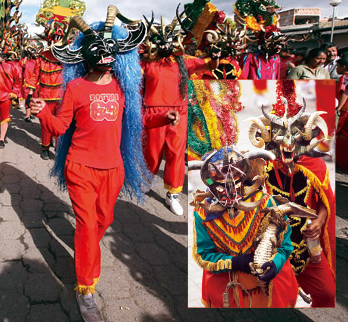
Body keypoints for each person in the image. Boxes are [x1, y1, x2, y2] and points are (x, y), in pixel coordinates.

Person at [31, 7, 150, 322]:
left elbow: (138, 120)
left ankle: (86, 257)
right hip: (80, 169)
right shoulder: (75, 88)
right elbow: (59, 127)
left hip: (113, 171)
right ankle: (86, 290)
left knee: (101, 223)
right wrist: (43, 110)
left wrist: (168, 116)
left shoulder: (121, 89)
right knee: (86, 229)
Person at [247, 91, 335, 307]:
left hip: (307, 244)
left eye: (294, 134)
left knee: (326, 292)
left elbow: (326, 201)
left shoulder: (315, 166)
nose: (287, 142)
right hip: (276, 243)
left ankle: (297, 284)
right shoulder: (263, 163)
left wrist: (320, 221)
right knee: (276, 296)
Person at [190, 147, 300, 307]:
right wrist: (234, 262)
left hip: (268, 291)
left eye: (236, 183)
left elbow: (284, 245)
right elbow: (203, 255)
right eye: (221, 186)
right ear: (210, 184)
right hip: (228, 292)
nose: (230, 191)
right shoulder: (202, 213)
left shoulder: (265, 202)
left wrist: (275, 264)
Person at [141, 16, 220, 215]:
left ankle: (172, 195)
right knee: (152, 152)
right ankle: (146, 180)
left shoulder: (183, 62)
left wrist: (216, 54)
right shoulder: (146, 62)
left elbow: (210, 65)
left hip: (178, 113)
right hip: (153, 112)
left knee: (176, 155)